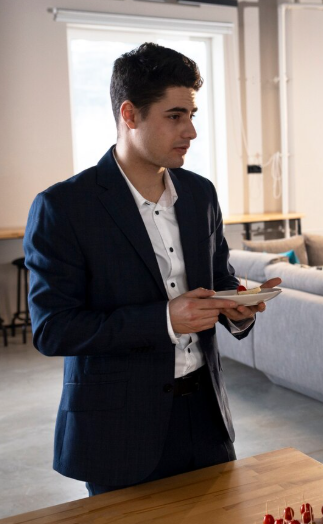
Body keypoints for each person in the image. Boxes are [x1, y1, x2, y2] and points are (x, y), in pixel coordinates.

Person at [24, 43, 279, 495]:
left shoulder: (200, 194)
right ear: (129, 114)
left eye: (193, 115)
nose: (191, 132)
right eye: (175, 116)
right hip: (117, 429)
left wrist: (237, 305)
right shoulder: (64, 207)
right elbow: (53, 329)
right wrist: (164, 320)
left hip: (207, 417)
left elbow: (217, 280)